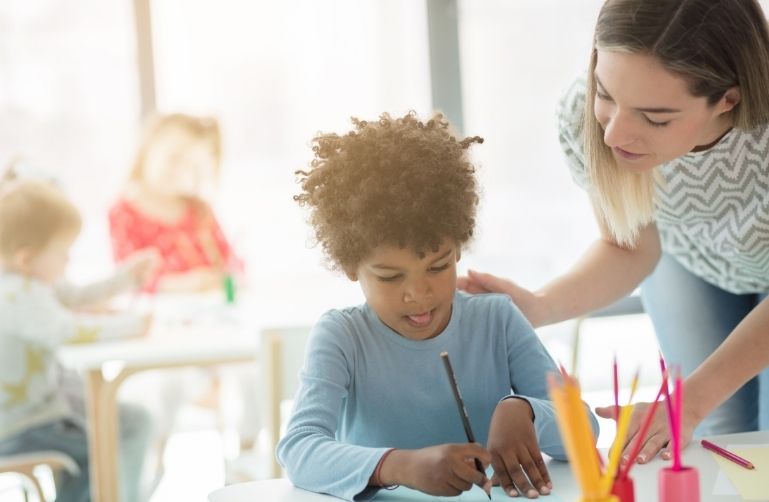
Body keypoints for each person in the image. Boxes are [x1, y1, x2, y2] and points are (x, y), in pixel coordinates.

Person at [459, 0, 769, 467]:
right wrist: (539, 307)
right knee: (716, 434)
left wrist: (693, 401)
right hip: (688, 257)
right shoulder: (582, 114)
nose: (613, 134)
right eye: (606, 94)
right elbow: (627, 247)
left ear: (729, 98)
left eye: (656, 117)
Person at [278, 112, 598, 501]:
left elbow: (586, 428)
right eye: (390, 277)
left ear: (459, 248)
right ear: (350, 265)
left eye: (438, 266)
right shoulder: (342, 337)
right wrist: (400, 465)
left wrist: (527, 410)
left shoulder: (497, 320)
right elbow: (299, 450)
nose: (419, 293)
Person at [0, 179, 158, 502]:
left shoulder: (29, 282)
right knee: (102, 449)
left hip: (38, 413)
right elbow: (65, 329)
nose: (68, 261)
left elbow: (75, 296)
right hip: (20, 426)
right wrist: (129, 326)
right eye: (62, 253)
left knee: (130, 424)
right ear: (26, 258)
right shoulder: (14, 295)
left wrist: (125, 278)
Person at [109, 113, 242, 293]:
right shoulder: (123, 213)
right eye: (174, 159)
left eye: (192, 165)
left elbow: (231, 262)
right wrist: (179, 285)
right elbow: (127, 280)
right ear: (147, 149)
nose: (181, 172)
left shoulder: (200, 210)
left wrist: (229, 276)